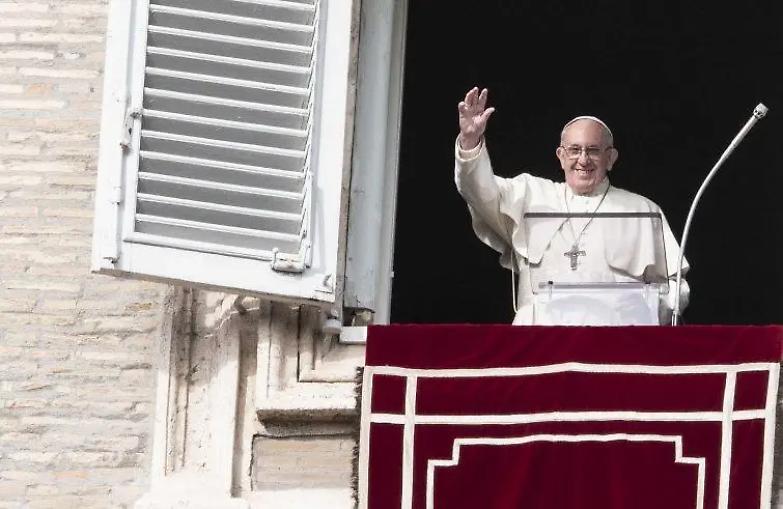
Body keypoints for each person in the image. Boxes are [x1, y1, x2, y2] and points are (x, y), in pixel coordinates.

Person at [454, 87, 689, 325]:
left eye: (594, 150)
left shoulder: (643, 211)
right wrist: (470, 141)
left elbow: (674, 287)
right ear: (561, 155)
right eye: (575, 150)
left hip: (617, 344)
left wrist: (651, 317)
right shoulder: (528, 195)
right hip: (540, 343)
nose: (583, 159)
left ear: (611, 158)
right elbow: (478, 191)